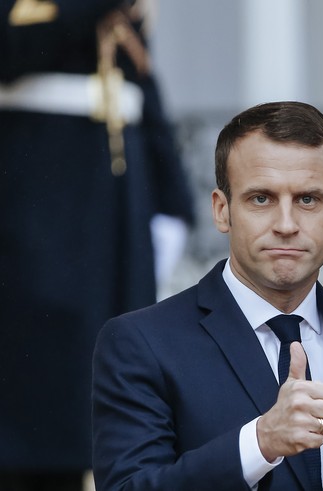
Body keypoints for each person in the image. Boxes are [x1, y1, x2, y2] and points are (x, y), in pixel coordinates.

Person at [92, 101, 323, 490]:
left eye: (308, 199)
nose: (286, 224)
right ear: (222, 210)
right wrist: (259, 443)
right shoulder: (142, 343)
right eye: (261, 199)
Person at [0, 2, 192, 489]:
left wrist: (173, 196)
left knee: (116, 388)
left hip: (115, 208)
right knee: (39, 412)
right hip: (35, 198)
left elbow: (138, 83)